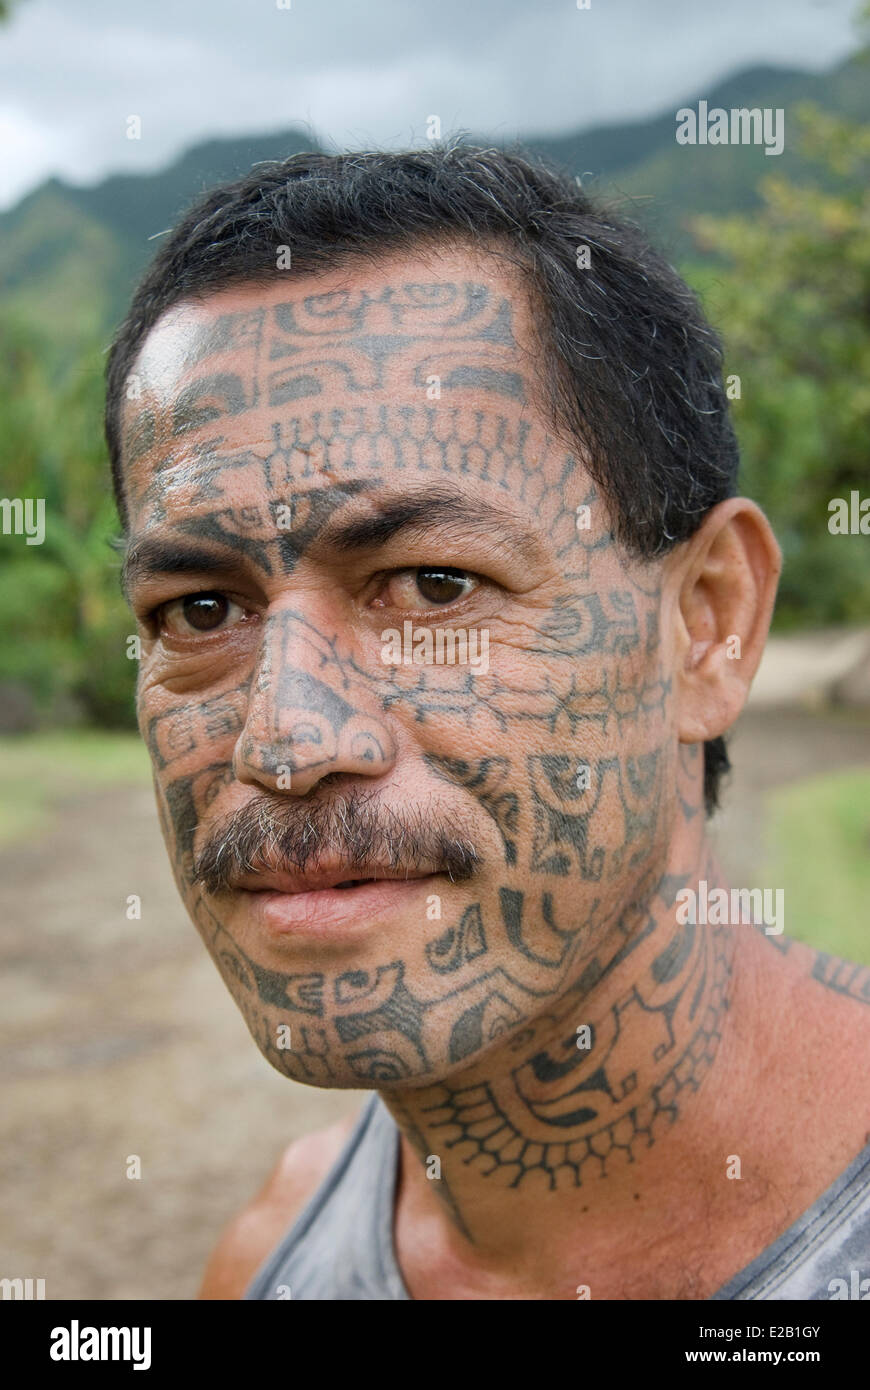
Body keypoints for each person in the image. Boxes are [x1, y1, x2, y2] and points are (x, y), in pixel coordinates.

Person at [104, 145, 870, 1300]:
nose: (286, 739)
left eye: (432, 584)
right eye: (201, 609)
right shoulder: (269, 1264)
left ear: (708, 623)